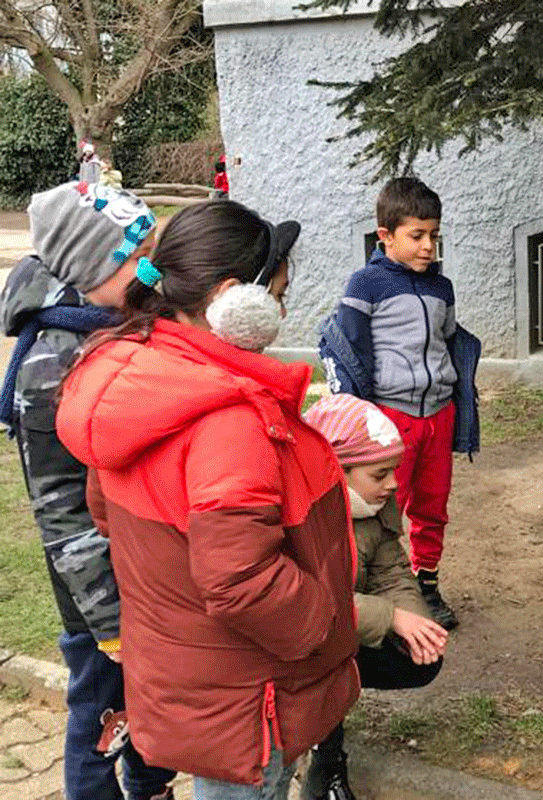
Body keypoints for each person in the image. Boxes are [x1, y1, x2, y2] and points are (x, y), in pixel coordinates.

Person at [55, 200, 359, 800]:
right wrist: (323, 616)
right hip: (248, 699)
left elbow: (104, 510)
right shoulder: (226, 417)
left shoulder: (140, 377)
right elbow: (238, 579)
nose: (282, 308)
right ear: (228, 296)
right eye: (276, 292)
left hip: (192, 675)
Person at [0, 182, 176, 800]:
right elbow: (60, 514)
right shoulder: (52, 365)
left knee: (156, 713)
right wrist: (110, 620)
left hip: (146, 572)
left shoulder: (116, 323)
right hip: (101, 598)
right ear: (87, 268)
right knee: (104, 720)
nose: (151, 269)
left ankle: (152, 788)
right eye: (136, 257)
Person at [319, 176, 473, 631]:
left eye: (434, 235)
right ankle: (373, 589)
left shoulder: (441, 287)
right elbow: (349, 346)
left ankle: (426, 584)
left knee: (432, 504)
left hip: (438, 413)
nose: (428, 246)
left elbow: (448, 343)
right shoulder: (366, 284)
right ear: (385, 235)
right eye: (417, 235)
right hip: (392, 417)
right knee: (386, 507)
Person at [300, 393, 448, 800]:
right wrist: (390, 618)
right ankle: (326, 762)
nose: (394, 483)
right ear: (336, 470)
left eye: (394, 471)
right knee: (323, 661)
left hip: (342, 624)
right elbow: (303, 607)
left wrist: (414, 622)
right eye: (380, 473)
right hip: (293, 641)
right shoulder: (299, 517)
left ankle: (321, 716)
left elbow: (391, 568)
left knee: (419, 659)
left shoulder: (372, 504)